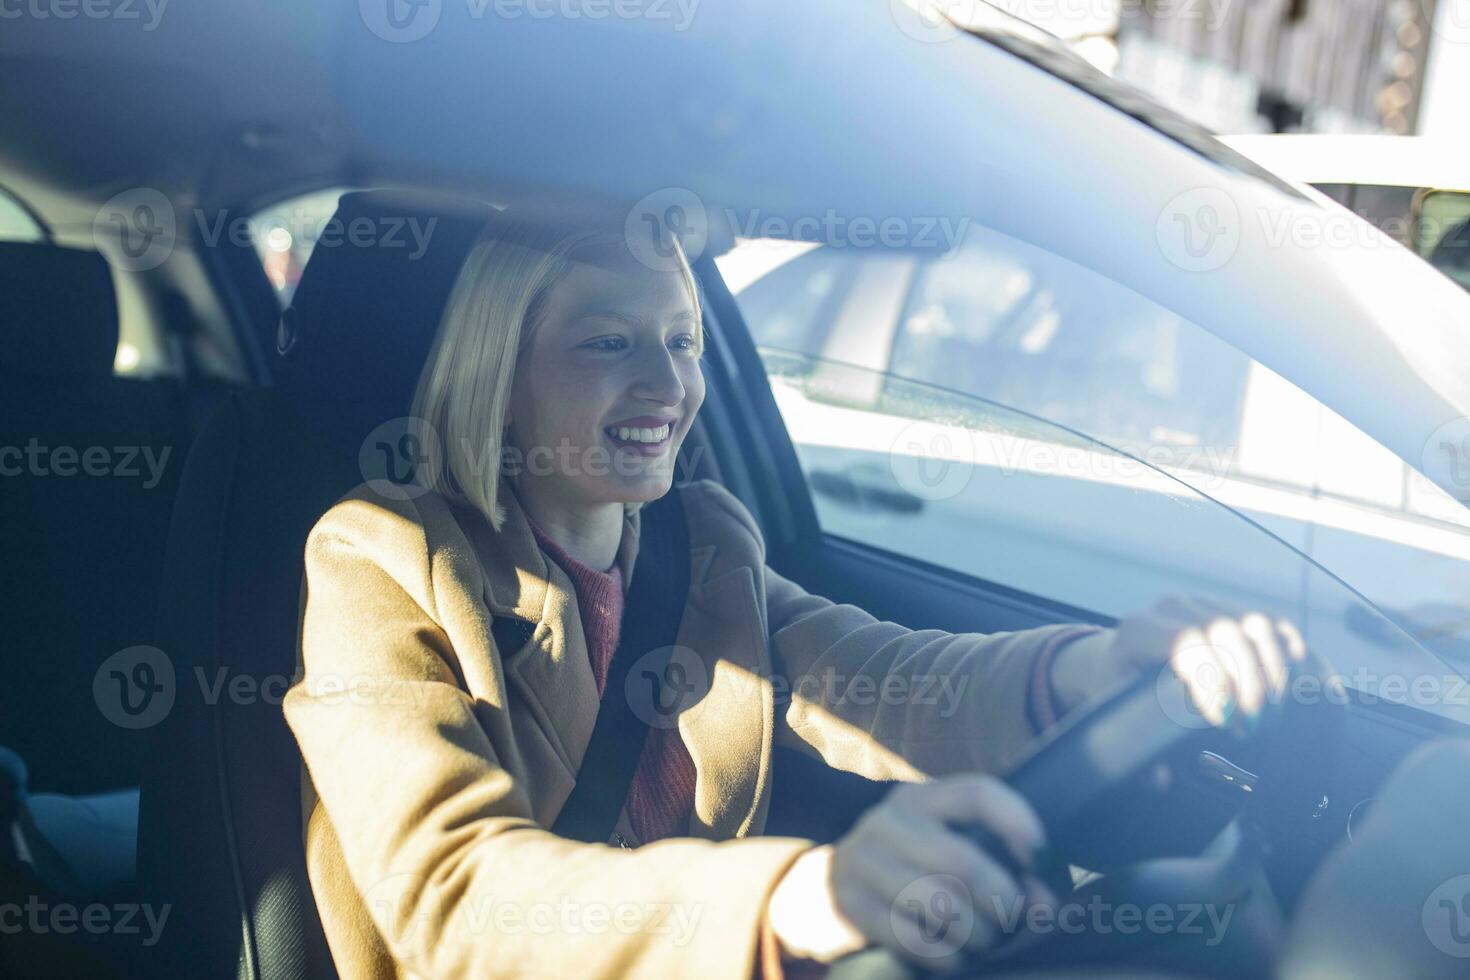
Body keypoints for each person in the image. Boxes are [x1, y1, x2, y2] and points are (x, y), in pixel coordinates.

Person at [282, 213, 1300, 978]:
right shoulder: (381, 555)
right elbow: (452, 893)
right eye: (608, 343)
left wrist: (1093, 668)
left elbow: (883, 678)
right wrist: (800, 896)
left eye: (682, 341)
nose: (668, 384)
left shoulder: (701, 541)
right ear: (500, 369)